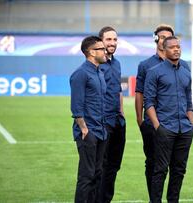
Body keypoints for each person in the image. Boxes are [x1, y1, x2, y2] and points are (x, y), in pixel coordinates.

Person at [135, 24, 190, 202]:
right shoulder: (148, 67)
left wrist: (191, 125)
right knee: (155, 166)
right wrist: (144, 122)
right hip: (158, 127)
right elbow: (143, 97)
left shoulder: (185, 68)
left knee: (178, 168)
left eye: (177, 45)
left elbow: (188, 98)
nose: (175, 48)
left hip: (182, 128)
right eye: (163, 38)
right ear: (158, 41)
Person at [70, 36, 107, 203]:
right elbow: (76, 107)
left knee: (97, 174)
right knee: (86, 176)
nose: (105, 51)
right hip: (88, 132)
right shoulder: (80, 74)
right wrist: (84, 129)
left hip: (101, 132)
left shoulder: (99, 72)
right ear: (91, 52)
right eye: (102, 49)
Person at [97, 26, 126, 203]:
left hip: (118, 122)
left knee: (114, 166)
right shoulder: (96, 64)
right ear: (101, 41)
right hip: (102, 122)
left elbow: (118, 92)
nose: (112, 43)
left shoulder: (117, 63)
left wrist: (122, 114)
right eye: (108, 39)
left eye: (115, 39)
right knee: (100, 167)